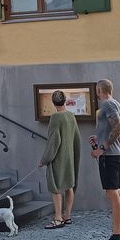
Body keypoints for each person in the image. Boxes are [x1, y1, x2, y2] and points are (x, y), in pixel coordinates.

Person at [89, 78, 120, 240]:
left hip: (109, 156)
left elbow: (118, 129)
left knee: (112, 193)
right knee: (117, 192)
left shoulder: (106, 105)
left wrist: (102, 148)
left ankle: (116, 235)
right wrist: (99, 138)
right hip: (116, 153)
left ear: (99, 90)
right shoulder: (117, 104)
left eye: (96, 91)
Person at [38, 90, 81, 229]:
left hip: (58, 157)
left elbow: (53, 141)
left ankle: (57, 218)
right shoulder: (71, 116)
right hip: (70, 155)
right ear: (65, 101)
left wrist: (44, 159)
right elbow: (76, 138)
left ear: (53, 102)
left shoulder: (56, 117)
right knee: (69, 186)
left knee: (55, 186)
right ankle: (67, 216)